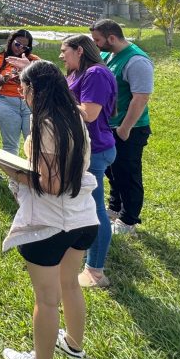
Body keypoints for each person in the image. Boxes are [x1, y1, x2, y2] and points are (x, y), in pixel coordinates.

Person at [0, 60, 99, 359]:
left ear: (34, 91)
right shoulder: (75, 117)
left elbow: (50, 184)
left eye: (24, 89)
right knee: (70, 285)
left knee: (46, 298)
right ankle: (73, 345)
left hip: (49, 223)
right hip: (84, 216)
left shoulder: (44, 125)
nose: (23, 95)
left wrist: (9, 168)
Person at [60, 34, 118, 288]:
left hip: (94, 150)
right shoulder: (77, 72)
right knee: (83, 207)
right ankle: (80, 252)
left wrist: (62, 100)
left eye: (65, 51)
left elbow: (90, 114)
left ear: (80, 50)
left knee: (95, 211)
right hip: (83, 148)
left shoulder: (95, 74)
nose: (61, 55)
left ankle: (95, 271)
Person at [90, 19, 154, 237]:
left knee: (128, 173)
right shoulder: (111, 55)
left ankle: (128, 219)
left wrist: (125, 129)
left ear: (112, 38)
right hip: (111, 127)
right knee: (113, 170)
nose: (95, 44)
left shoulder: (136, 61)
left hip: (130, 129)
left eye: (97, 40)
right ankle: (115, 207)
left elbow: (141, 98)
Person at [0, 28, 40, 155]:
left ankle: (35, 174)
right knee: (10, 145)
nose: (20, 48)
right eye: (17, 44)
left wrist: (25, 79)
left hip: (30, 103)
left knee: (35, 142)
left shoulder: (33, 60)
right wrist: (3, 80)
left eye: (25, 47)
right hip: (6, 103)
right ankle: (12, 175)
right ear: (11, 41)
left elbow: (43, 81)